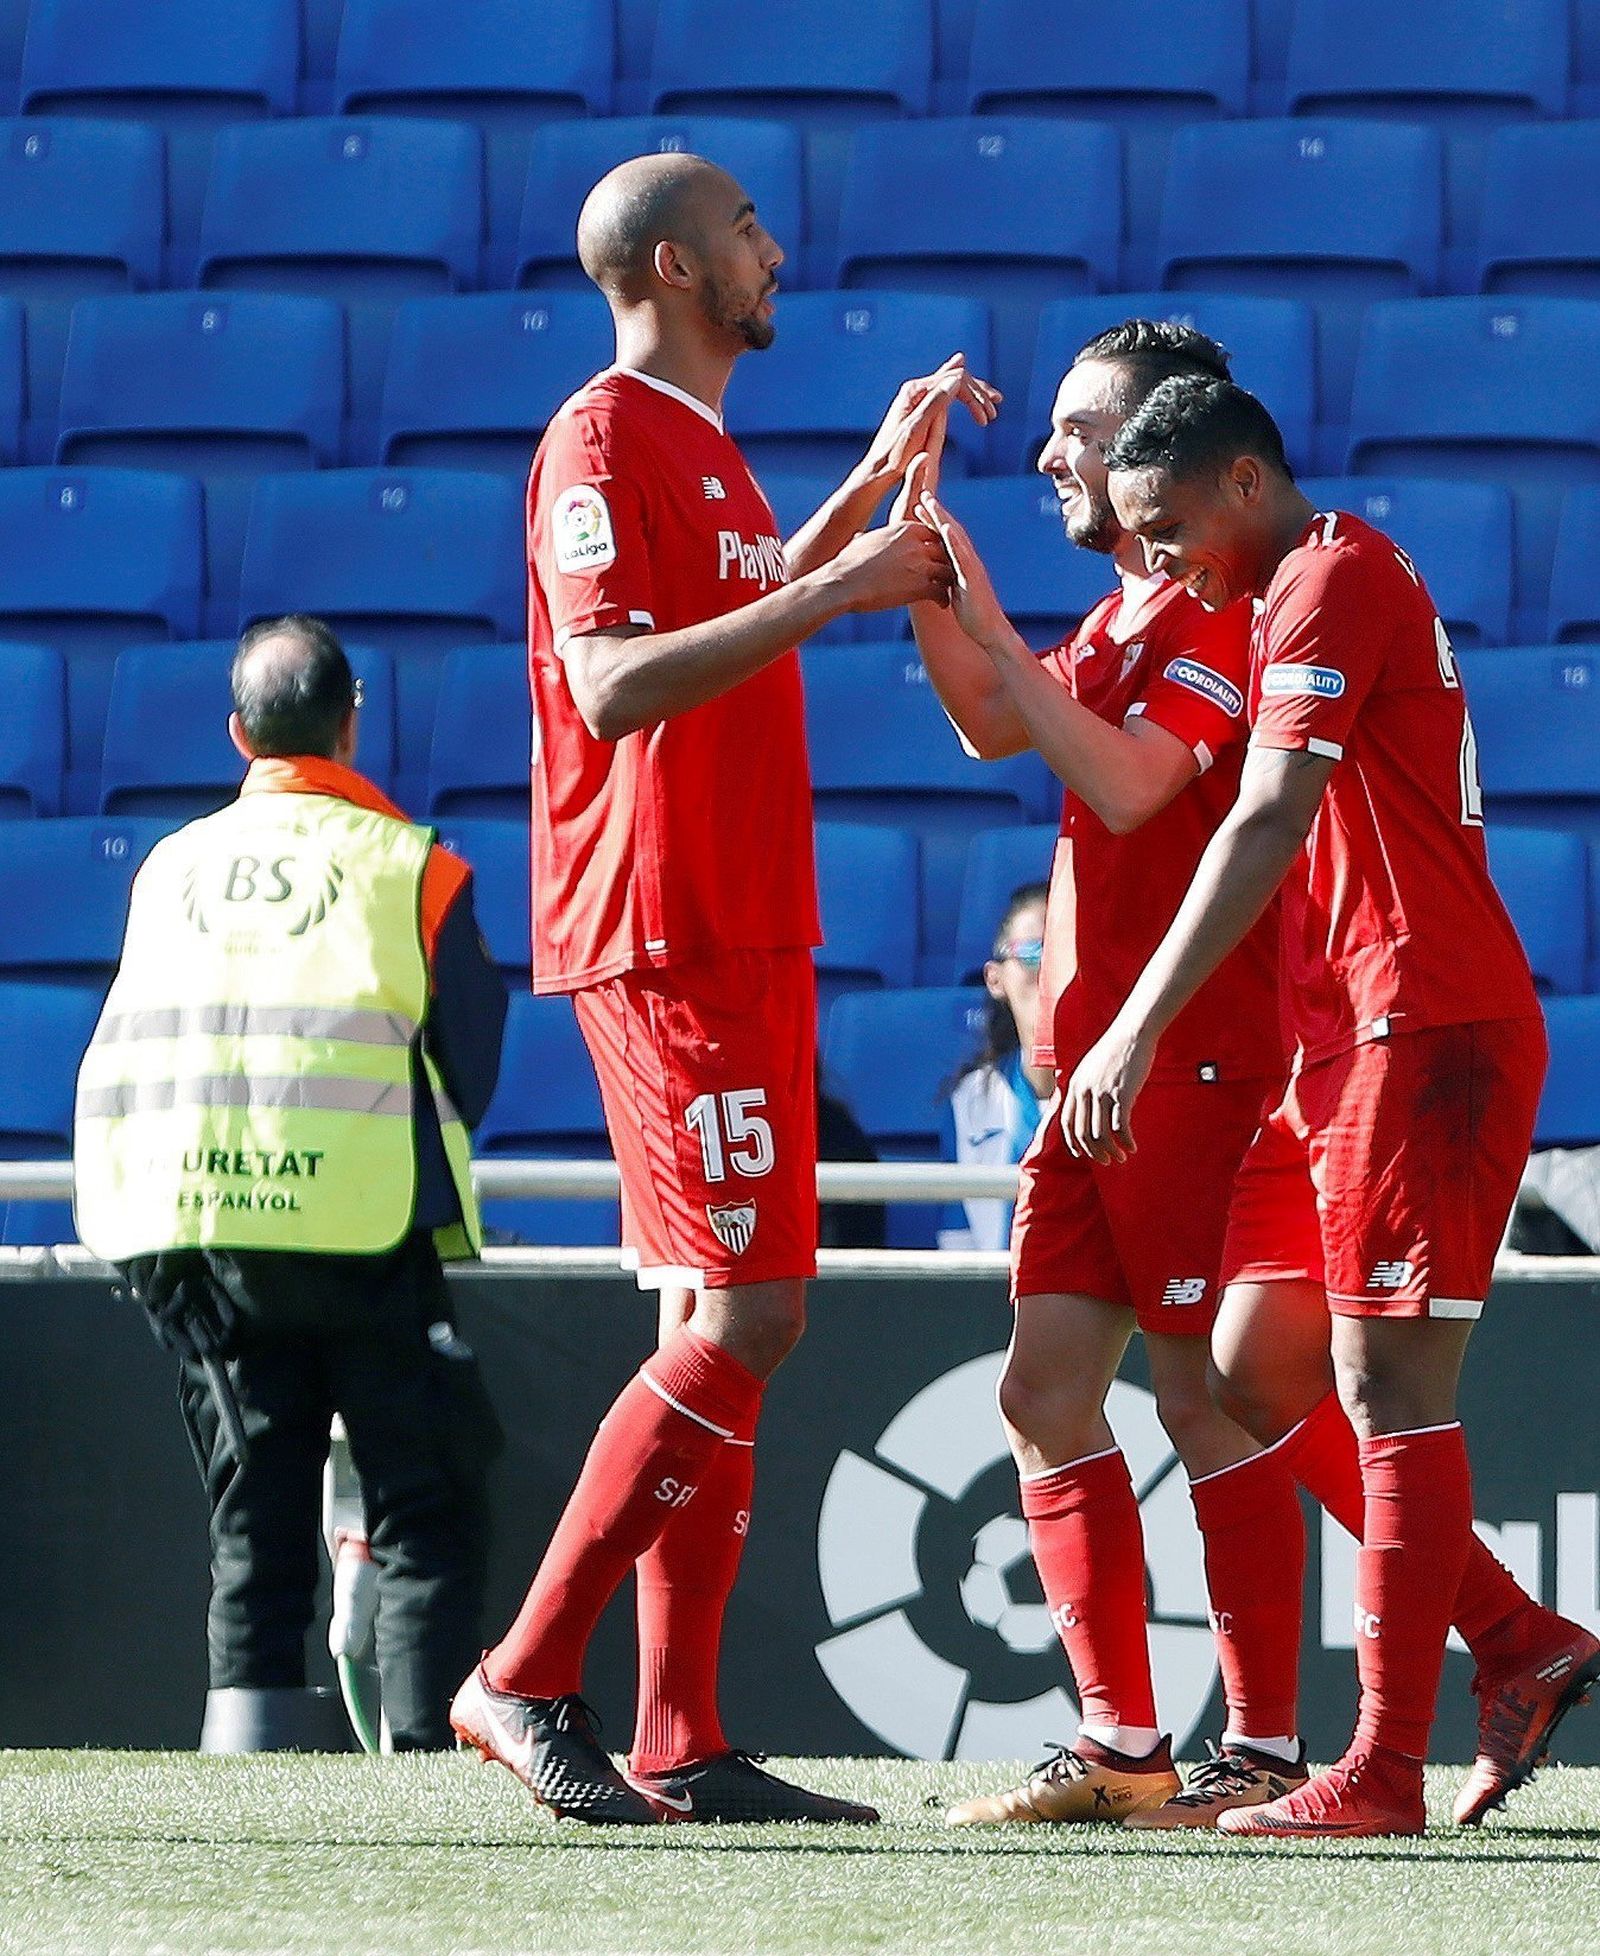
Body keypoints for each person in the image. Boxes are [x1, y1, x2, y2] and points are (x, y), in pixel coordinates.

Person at [449, 150, 997, 1826]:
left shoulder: (702, 452)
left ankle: (680, 1732)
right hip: (665, 923)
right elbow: (613, 687)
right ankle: (526, 1674)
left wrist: (860, 495)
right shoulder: (600, 437)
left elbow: (752, 605)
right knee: (752, 1312)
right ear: (680, 265)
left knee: (720, 1316)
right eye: (752, 230)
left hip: (744, 918)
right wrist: (848, 579)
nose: (779, 251)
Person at [1062, 374, 1600, 1837]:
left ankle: (1379, 1770)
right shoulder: (1304, 579)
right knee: (1253, 1361)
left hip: (1427, 1023)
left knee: (1388, 1390)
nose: (1166, 563)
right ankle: (1515, 1638)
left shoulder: (1324, 578)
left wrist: (1131, 1028)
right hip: (1350, 1034)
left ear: (1244, 484)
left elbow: (1270, 813)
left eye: (1170, 529)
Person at [912, 320, 1311, 1831]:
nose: (1053, 455)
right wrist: (921, 555)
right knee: (1043, 1390)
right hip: (1096, 1070)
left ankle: (1262, 1751)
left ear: (1167, 442)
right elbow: (989, 716)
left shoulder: (1215, 611)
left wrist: (998, 629)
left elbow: (1137, 783)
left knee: (1207, 1405)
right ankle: (1125, 1747)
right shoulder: (1130, 612)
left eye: (1080, 429)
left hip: (1192, 1056)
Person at [73, 616, 507, 1752]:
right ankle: (426, 1768)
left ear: (238, 734)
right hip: (362, 1234)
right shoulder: (416, 867)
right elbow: (474, 1062)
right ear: (351, 721)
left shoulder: (166, 868)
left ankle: (246, 1788)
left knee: (250, 1526)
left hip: (195, 1239)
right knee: (426, 1504)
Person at [937, 883, 1051, 1254]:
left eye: (1069, 951)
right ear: (995, 979)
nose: (1053, 970)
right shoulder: (969, 1099)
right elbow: (959, 1249)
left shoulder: (1126, 1090)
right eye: (1034, 952)